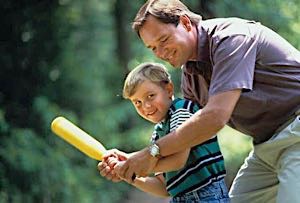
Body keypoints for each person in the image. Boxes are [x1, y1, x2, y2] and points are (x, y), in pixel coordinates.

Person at [99, 0, 300, 202]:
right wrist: (130, 166)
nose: (160, 53)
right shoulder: (191, 78)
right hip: (267, 147)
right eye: (153, 48)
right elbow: (185, 141)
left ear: (186, 23)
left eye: (164, 40)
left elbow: (215, 117)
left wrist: (150, 153)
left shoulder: (231, 38)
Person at [102, 62, 229, 202]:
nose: (146, 106)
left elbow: (178, 160)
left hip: (207, 196)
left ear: (169, 90)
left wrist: (132, 163)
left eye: (150, 96)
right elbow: (163, 187)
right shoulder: (159, 131)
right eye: (137, 102)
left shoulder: (181, 111)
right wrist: (129, 173)